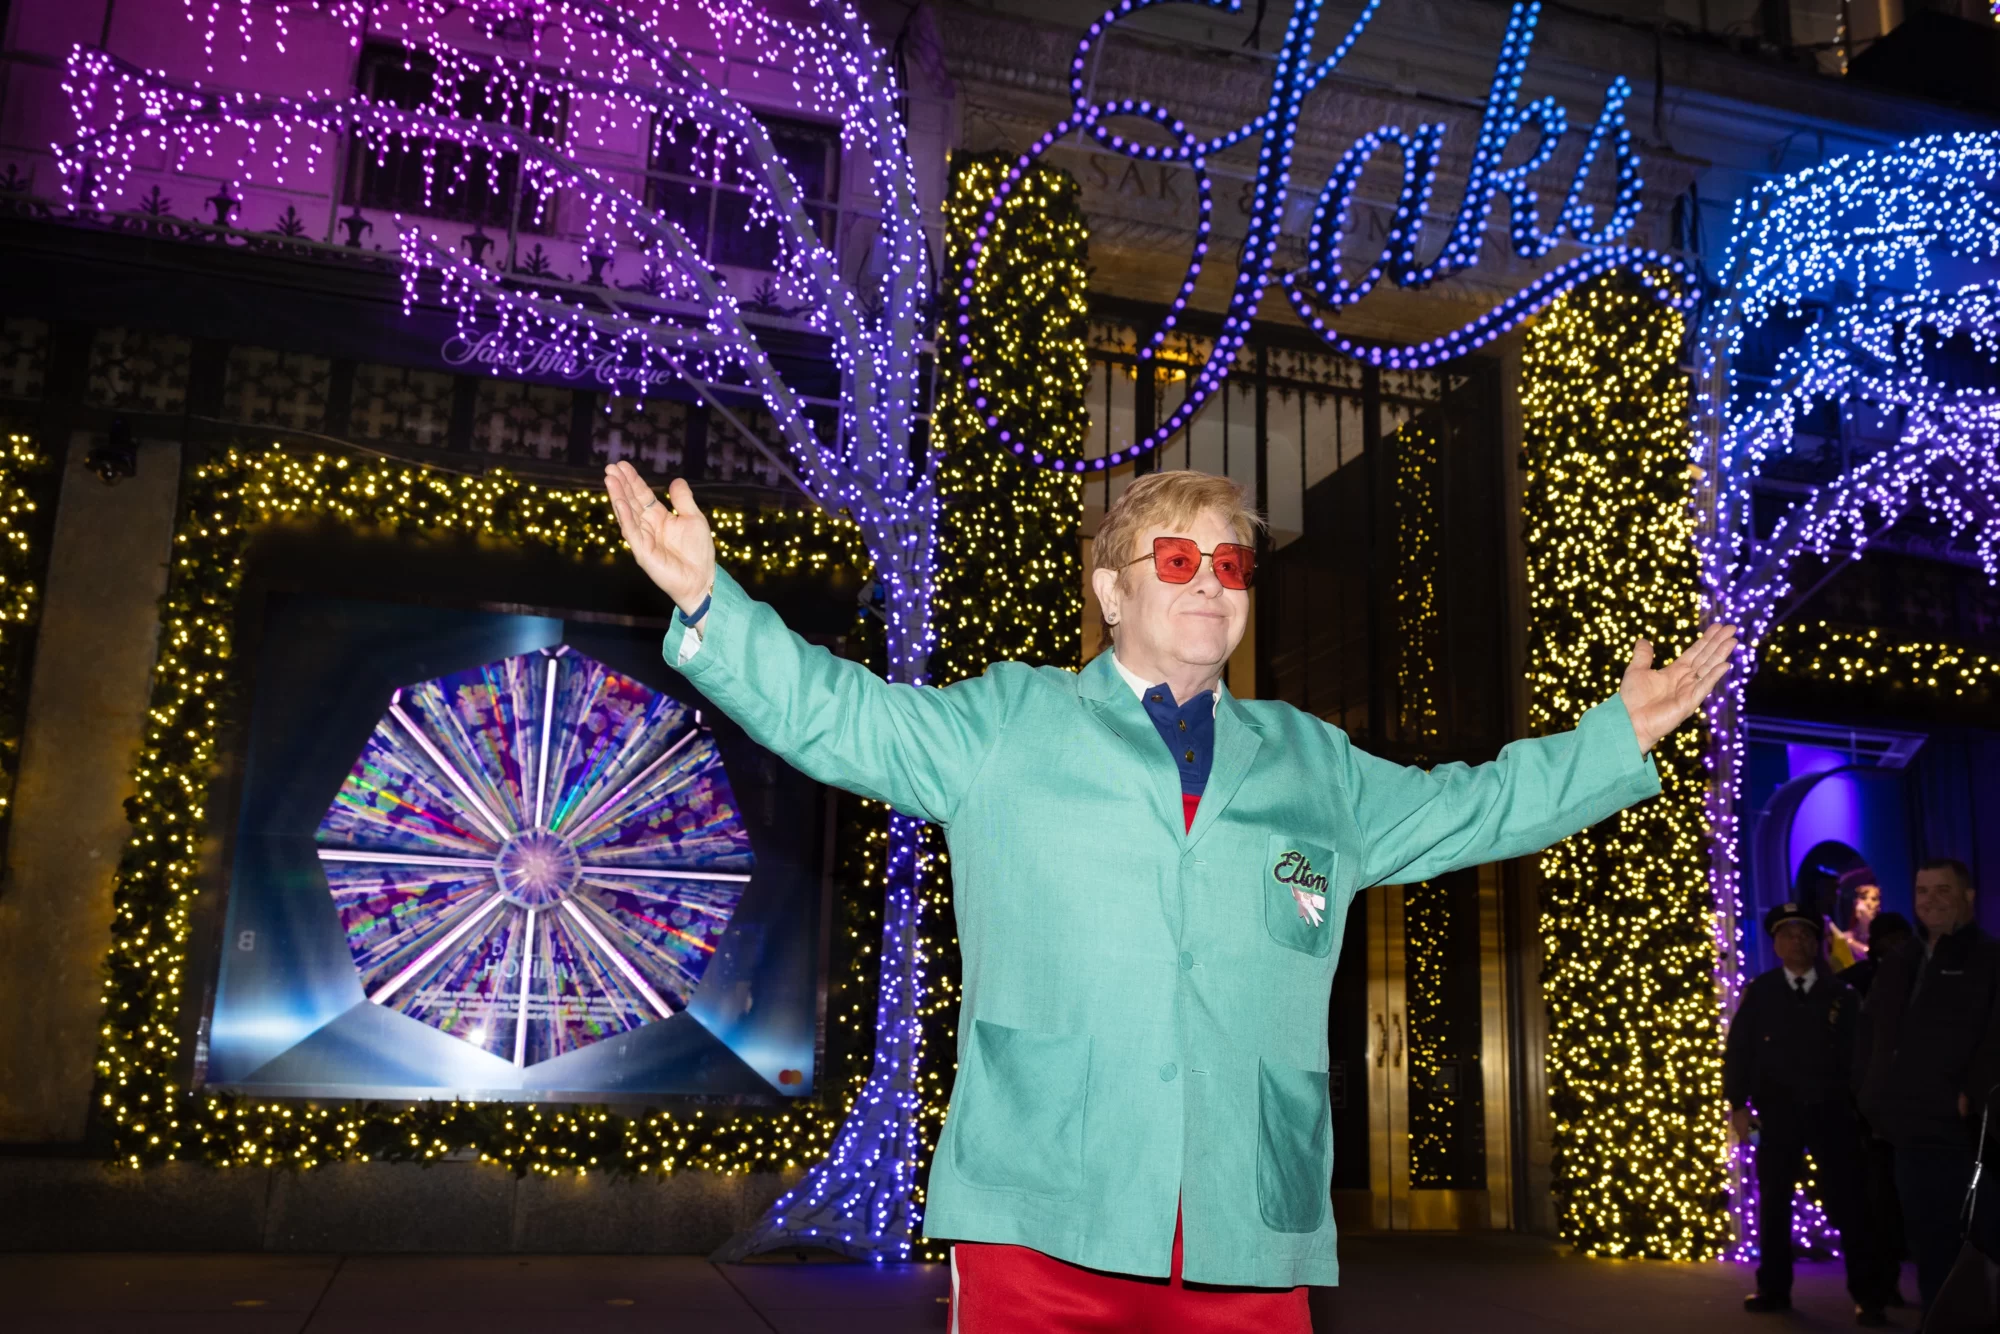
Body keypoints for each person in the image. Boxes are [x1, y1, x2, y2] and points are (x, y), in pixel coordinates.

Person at [604, 464, 1738, 1332]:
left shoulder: (1311, 759)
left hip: (1250, 1220)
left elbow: (1476, 805)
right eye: (1178, 559)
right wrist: (712, 600)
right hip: (1045, 1210)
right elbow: (835, 712)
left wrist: (1611, 741)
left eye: (1232, 564)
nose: (1211, 581)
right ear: (1108, 588)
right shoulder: (1005, 722)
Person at [1727, 901, 1890, 1326]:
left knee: (1851, 1204)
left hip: (1831, 1112)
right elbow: (1739, 1051)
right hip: (1777, 1115)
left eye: (1804, 935)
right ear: (1776, 943)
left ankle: (1868, 1295)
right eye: (1787, 935)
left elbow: (1859, 1055)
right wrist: (1738, 1105)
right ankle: (1774, 1289)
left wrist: (1861, 1106)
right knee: (1775, 1204)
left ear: (1815, 943)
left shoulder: (1840, 995)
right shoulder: (1761, 992)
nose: (1796, 942)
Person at [1859, 857, 2000, 1319]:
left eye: (1943, 890)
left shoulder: (1988, 958)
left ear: (1968, 896)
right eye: (1923, 891)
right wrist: (1871, 1095)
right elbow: (1873, 1033)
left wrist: (1971, 1093)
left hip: (1964, 1131)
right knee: (1925, 1239)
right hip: (1904, 1128)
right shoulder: (1902, 960)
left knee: (1975, 1241)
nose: (1932, 900)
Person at [1839, 910, 1916, 1307]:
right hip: (1875, 1112)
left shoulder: (1916, 979)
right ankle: (1884, 1285)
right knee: (1883, 1202)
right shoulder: (1857, 984)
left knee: (1893, 1202)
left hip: (1904, 1108)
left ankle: (1888, 1284)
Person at [1830, 871, 1883, 972]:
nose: (1868, 903)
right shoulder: (1844, 938)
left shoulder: (1882, 938)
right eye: (1863, 897)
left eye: (1874, 899)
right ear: (1855, 903)